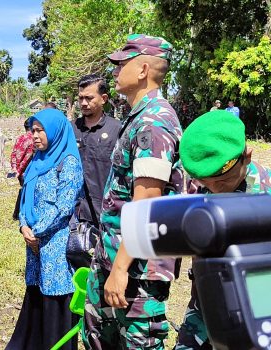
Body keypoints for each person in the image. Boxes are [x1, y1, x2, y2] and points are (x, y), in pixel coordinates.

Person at [82, 34, 183, 350]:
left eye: (120, 65)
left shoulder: (154, 123)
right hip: (115, 257)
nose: (114, 72)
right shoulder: (138, 117)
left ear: (142, 69)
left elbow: (148, 202)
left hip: (136, 269)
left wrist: (121, 269)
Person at [174, 110, 271, 350]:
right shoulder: (202, 184)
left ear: (247, 157)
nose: (214, 191)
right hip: (206, 309)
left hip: (260, 314)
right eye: (205, 183)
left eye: (222, 183)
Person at [6, 108, 83, 350]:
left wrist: (36, 231)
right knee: (37, 298)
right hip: (34, 244)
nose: (35, 136)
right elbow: (25, 198)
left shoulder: (68, 162)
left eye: (40, 131)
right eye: (33, 130)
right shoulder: (36, 161)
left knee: (56, 302)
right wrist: (23, 226)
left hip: (56, 246)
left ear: (55, 131)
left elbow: (63, 206)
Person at [72, 74, 121, 229]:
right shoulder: (71, 129)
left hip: (106, 211)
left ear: (104, 98)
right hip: (75, 211)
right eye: (80, 98)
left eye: (89, 98)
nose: (84, 103)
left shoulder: (117, 129)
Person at [9, 118, 35, 220]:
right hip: (26, 171)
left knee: (23, 190)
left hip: (19, 171)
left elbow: (14, 154)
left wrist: (14, 169)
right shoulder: (32, 139)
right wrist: (20, 171)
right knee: (27, 193)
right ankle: (20, 214)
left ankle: (16, 214)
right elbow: (27, 158)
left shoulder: (20, 138)